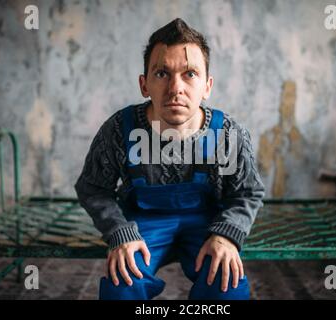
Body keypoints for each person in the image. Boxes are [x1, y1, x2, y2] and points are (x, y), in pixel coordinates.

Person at [74, 18, 265, 300]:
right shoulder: (119, 129)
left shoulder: (227, 134)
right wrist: (118, 231)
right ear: (144, 84)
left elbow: (247, 192)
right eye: (162, 73)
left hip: (206, 224)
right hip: (140, 225)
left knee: (227, 285)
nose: (176, 88)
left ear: (207, 86)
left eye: (190, 74)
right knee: (122, 287)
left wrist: (227, 234)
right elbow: (93, 188)